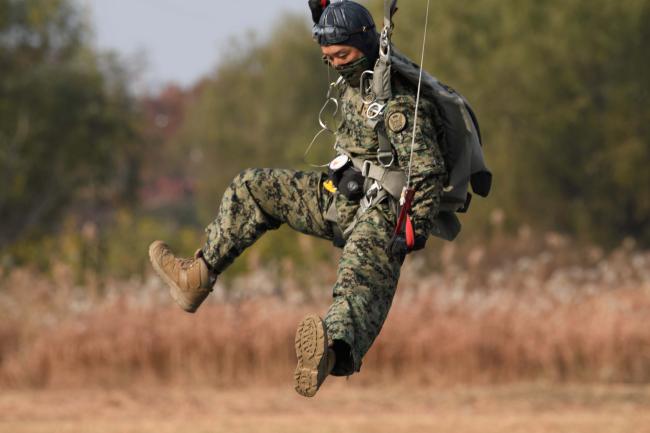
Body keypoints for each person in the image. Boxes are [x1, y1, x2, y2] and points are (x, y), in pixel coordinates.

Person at [148, 0, 447, 398]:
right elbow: (330, 30)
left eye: (343, 55)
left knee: (357, 284)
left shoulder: (399, 102)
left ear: (367, 45)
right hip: (340, 196)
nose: (337, 64)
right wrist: (322, 11)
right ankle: (196, 279)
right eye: (329, 57)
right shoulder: (354, 72)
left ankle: (328, 353)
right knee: (252, 187)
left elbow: (429, 171)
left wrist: (413, 230)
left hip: (384, 212)